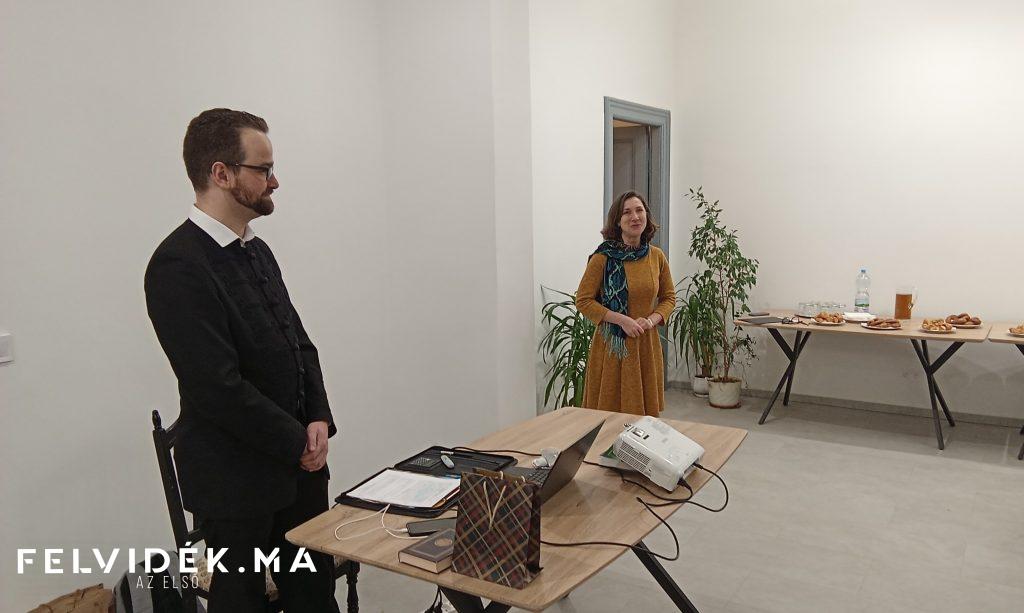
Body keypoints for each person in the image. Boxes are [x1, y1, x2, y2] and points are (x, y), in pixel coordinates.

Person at [145, 108, 340, 612]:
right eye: (263, 169)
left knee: (314, 598)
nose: (274, 181)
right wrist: (297, 441)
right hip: (236, 483)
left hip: (297, 471)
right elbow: (217, 387)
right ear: (222, 173)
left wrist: (318, 418)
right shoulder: (177, 265)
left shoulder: (257, 250)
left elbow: (299, 345)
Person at [575, 191, 675, 416]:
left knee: (644, 421)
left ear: (646, 215)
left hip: (645, 345)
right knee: (608, 416)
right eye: (627, 212)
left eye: (639, 210)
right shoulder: (603, 257)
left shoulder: (656, 256)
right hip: (612, 347)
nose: (635, 217)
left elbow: (669, 298)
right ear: (618, 221)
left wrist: (651, 321)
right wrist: (622, 320)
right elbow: (583, 300)